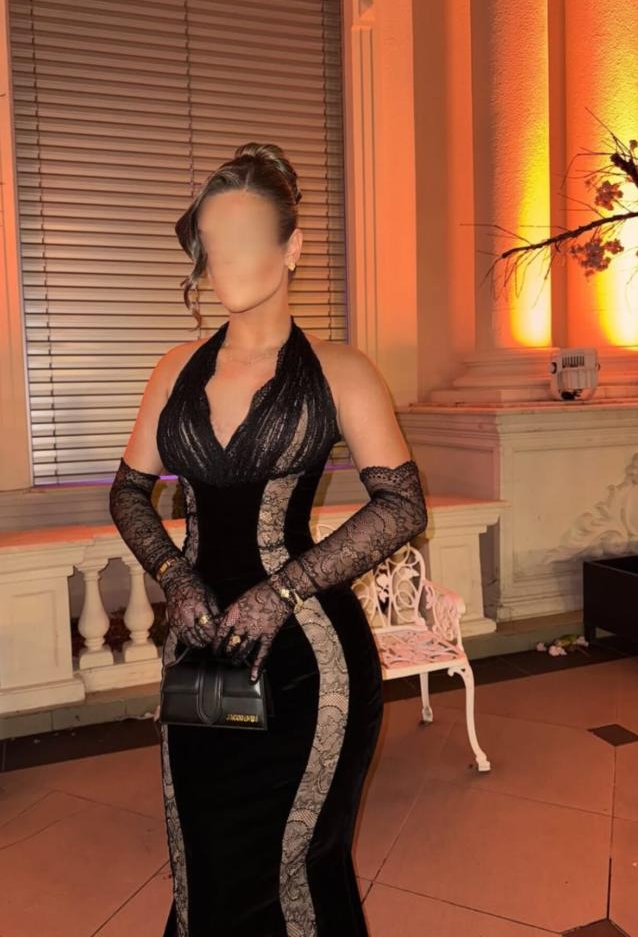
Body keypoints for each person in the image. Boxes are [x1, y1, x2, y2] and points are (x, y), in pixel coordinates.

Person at [109, 142, 428, 937]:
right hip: (199, 651)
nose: (225, 263)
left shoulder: (341, 371)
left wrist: (282, 590)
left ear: (293, 249)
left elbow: (401, 506)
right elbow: (128, 493)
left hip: (309, 660)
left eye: (246, 241)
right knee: (204, 857)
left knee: (294, 866)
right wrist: (175, 575)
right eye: (213, 245)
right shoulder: (174, 370)